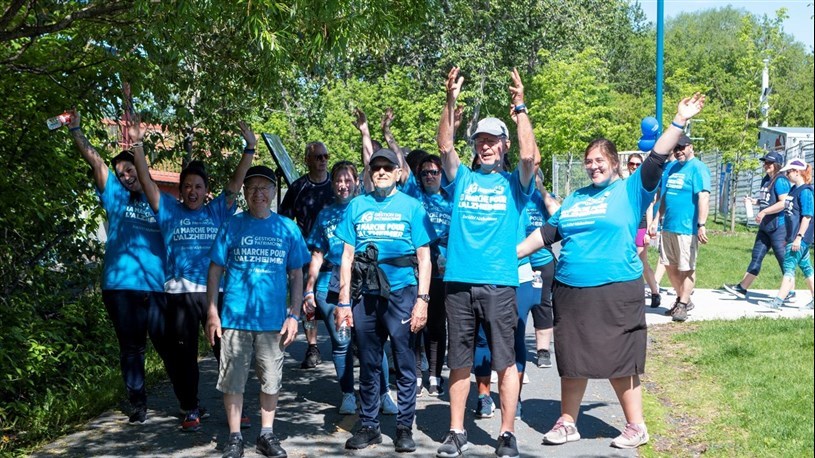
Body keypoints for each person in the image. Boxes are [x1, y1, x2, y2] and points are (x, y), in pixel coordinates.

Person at [518, 93, 705, 450]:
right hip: (571, 291)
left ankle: (636, 426)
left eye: (600, 160)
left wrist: (679, 120)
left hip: (616, 290)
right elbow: (546, 234)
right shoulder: (575, 199)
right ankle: (568, 422)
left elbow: (657, 156)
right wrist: (509, 256)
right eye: (589, 161)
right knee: (571, 358)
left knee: (620, 358)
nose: (593, 166)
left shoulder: (631, 189)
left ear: (615, 163)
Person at [434, 67, 537, 458]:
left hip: (499, 282)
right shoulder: (462, 180)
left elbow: (529, 154)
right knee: (459, 362)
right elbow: (445, 146)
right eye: (480, 141)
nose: (486, 147)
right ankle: (457, 431)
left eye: (493, 141)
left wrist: (520, 107)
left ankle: (506, 434)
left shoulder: (515, 183)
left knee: (504, 361)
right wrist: (450, 101)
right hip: (459, 281)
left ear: (504, 145)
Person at [132, 120, 255, 431]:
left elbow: (236, 183)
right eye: (187, 186)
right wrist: (138, 146)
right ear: (181, 189)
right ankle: (190, 408)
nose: (192, 191)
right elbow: (146, 180)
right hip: (179, 294)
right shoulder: (169, 211)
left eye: (198, 186)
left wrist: (249, 148)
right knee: (184, 356)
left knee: (226, 352)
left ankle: (235, 408)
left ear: (205, 190)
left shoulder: (216, 211)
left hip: (214, 292)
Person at [67, 110, 171, 424]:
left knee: (168, 343)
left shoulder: (160, 201)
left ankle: (188, 401)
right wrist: (76, 131)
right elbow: (96, 162)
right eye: (122, 173)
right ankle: (137, 404)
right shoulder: (115, 197)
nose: (126, 177)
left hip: (156, 286)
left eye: (130, 170)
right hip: (120, 287)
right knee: (132, 348)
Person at [334, 148, 435, 453]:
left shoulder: (413, 207)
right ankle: (369, 426)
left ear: (398, 173)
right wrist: (342, 302)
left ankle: (404, 427)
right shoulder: (356, 206)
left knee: (405, 362)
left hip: (402, 292)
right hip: (365, 294)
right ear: (369, 173)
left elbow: (425, 257)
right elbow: (347, 256)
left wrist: (423, 300)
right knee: (368, 362)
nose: (380, 172)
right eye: (375, 167)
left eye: (387, 167)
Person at [206, 165, 309, 458]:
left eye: (264, 188)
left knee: (271, 379)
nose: (258, 193)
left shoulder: (288, 228)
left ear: (274, 193)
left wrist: (294, 314)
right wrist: (212, 312)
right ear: (245, 193)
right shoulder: (231, 226)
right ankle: (235, 437)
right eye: (252, 188)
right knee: (233, 379)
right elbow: (214, 271)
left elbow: (297, 273)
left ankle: (266, 434)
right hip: (235, 318)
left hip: (273, 321)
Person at [303, 161, 397, 415]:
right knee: (341, 341)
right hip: (330, 285)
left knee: (372, 340)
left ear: (357, 181)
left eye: (348, 180)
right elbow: (317, 255)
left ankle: (384, 393)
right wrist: (308, 289)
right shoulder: (325, 215)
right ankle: (347, 395)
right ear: (332, 184)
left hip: (365, 282)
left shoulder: (367, 207)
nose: (343, 185)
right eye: (338, 181)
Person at [279, 142, 335, 369]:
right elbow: (284, 220)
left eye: (326, 156)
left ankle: (345, 343)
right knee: (307, 304)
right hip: (306, 255)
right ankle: (313, 347)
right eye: (318, 157)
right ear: (308, 160)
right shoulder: (299, 187)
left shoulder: (337, 184)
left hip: (336, 256)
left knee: (337, 299)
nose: (323, 160)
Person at [409, 154, 453, 396]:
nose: (429, 176)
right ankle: (415, 374)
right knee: (415, 325)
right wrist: (386, 136)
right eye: (425, 172)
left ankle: (435, 376)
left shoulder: (450, 200)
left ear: (441, 175)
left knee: (437, 325)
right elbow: (400, 168)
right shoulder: (415, 197)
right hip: (416, 269)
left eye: (434, 172)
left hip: (442, 271)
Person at [657, 132, 711, 322]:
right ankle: (683, 299)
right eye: (676, 148)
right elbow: (665, 196)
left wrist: (701, 224)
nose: (678, 151)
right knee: (670, 266)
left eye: (681, 147)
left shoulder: (698, 168)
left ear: (690, 147)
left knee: (686, 267)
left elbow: (703, 196)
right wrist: (657, 218)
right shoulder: (671, 168)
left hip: (687, 228)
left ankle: (682, 304)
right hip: (668, 226)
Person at [723, 151, 791, 299]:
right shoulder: (766, 179)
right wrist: (755, 202)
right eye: (765, 162)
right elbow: (767, 200)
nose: (765, 165)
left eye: (769, 163)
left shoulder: (780, 180)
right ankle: (742, 288)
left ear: (777, 165)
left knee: (784, 261)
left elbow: (783, 203)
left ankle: (789, 291)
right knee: (756, 256)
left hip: (779, 227)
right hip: (765, 226)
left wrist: (764, 211)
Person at [758, 159, 814, 310]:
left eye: (789, 171)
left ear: (798, 172)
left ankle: (777, 301)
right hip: (792, 236)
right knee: (807, 268)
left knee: (788, 267)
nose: (787, 174)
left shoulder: (806, 192)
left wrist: (798, 238)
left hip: (799, 237)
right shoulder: (794, 189)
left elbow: (807, 217)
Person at [628, 153, 661, 308]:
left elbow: (649, 208)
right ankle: (631, 294)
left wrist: (648, 231)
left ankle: (655, 292)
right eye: (631, 164)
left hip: (641, 227)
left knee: (642, 261)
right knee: (627, 260)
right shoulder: (625, 183)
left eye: (637, 164)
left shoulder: (645, 184)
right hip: (627, 227)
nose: (634, 167)